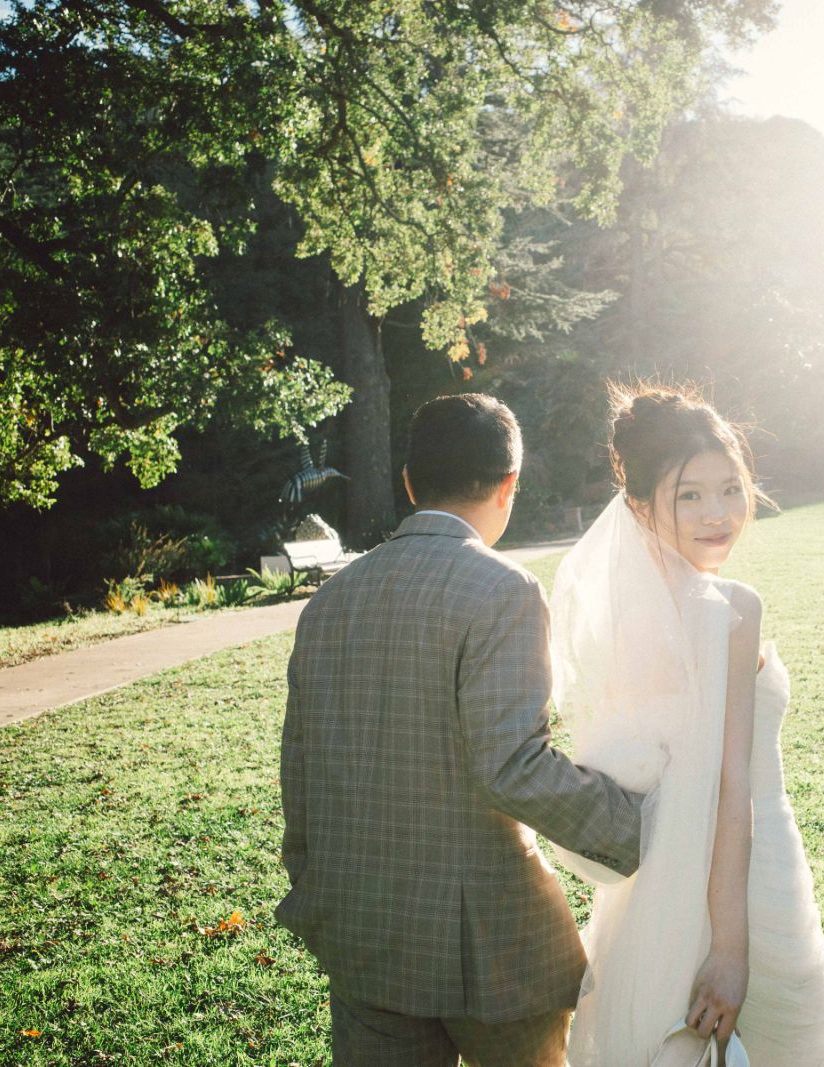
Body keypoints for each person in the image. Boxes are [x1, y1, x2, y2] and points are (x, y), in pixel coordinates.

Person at [276, 393, 647, 1067]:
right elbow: (511, 765)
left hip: (362, 926)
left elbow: (299, 764)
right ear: (509, 485)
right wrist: (641, 826)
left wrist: (313, 876)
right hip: (490, 944)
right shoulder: (500, 588)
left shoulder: (328, 603)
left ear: (411, 483)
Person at [552, 384, 824, 1066]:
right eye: (689, 495)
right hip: (746, 875)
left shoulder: (622, 618)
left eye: (729, 488)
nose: (717, 513)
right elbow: (729, 789)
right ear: (639, 507)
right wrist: (729, 948)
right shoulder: (731, 608)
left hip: (654, 888)